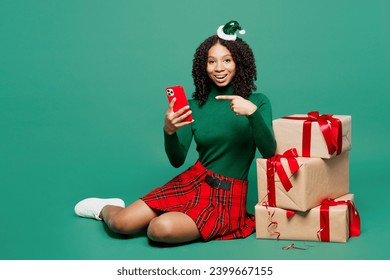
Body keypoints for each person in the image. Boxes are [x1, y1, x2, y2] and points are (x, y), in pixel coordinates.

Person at [74, 20, 276, 244]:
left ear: (239, 63)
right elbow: (177, 160)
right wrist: (168, 131)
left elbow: (269, 152)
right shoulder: (192, 106)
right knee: (122, 223)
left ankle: (174, 217)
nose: (219, 68)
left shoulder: (257, 102)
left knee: (158, 230)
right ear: (203, 66)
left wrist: (252, 114)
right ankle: (105, 208)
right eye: (211, 62)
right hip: (194, 181)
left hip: (227, 198)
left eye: (227, 60)